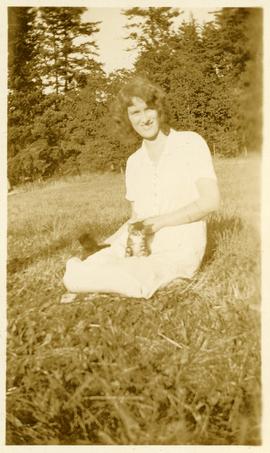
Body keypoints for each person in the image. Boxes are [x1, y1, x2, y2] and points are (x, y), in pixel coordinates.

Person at [63, 77, 220, 299]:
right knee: (77, 273)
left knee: (131, 278)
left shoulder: (189, 143)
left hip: (179, 244)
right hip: (141, 244)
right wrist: (110, 242)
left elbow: (210, 201)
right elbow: (136, 217)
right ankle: (108, 274)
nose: (144, 119)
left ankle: (120, 279)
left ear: (160, 110)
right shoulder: (134, 162)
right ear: (127, 119)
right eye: (135, 113)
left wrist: (160, 222)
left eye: (149, 109)